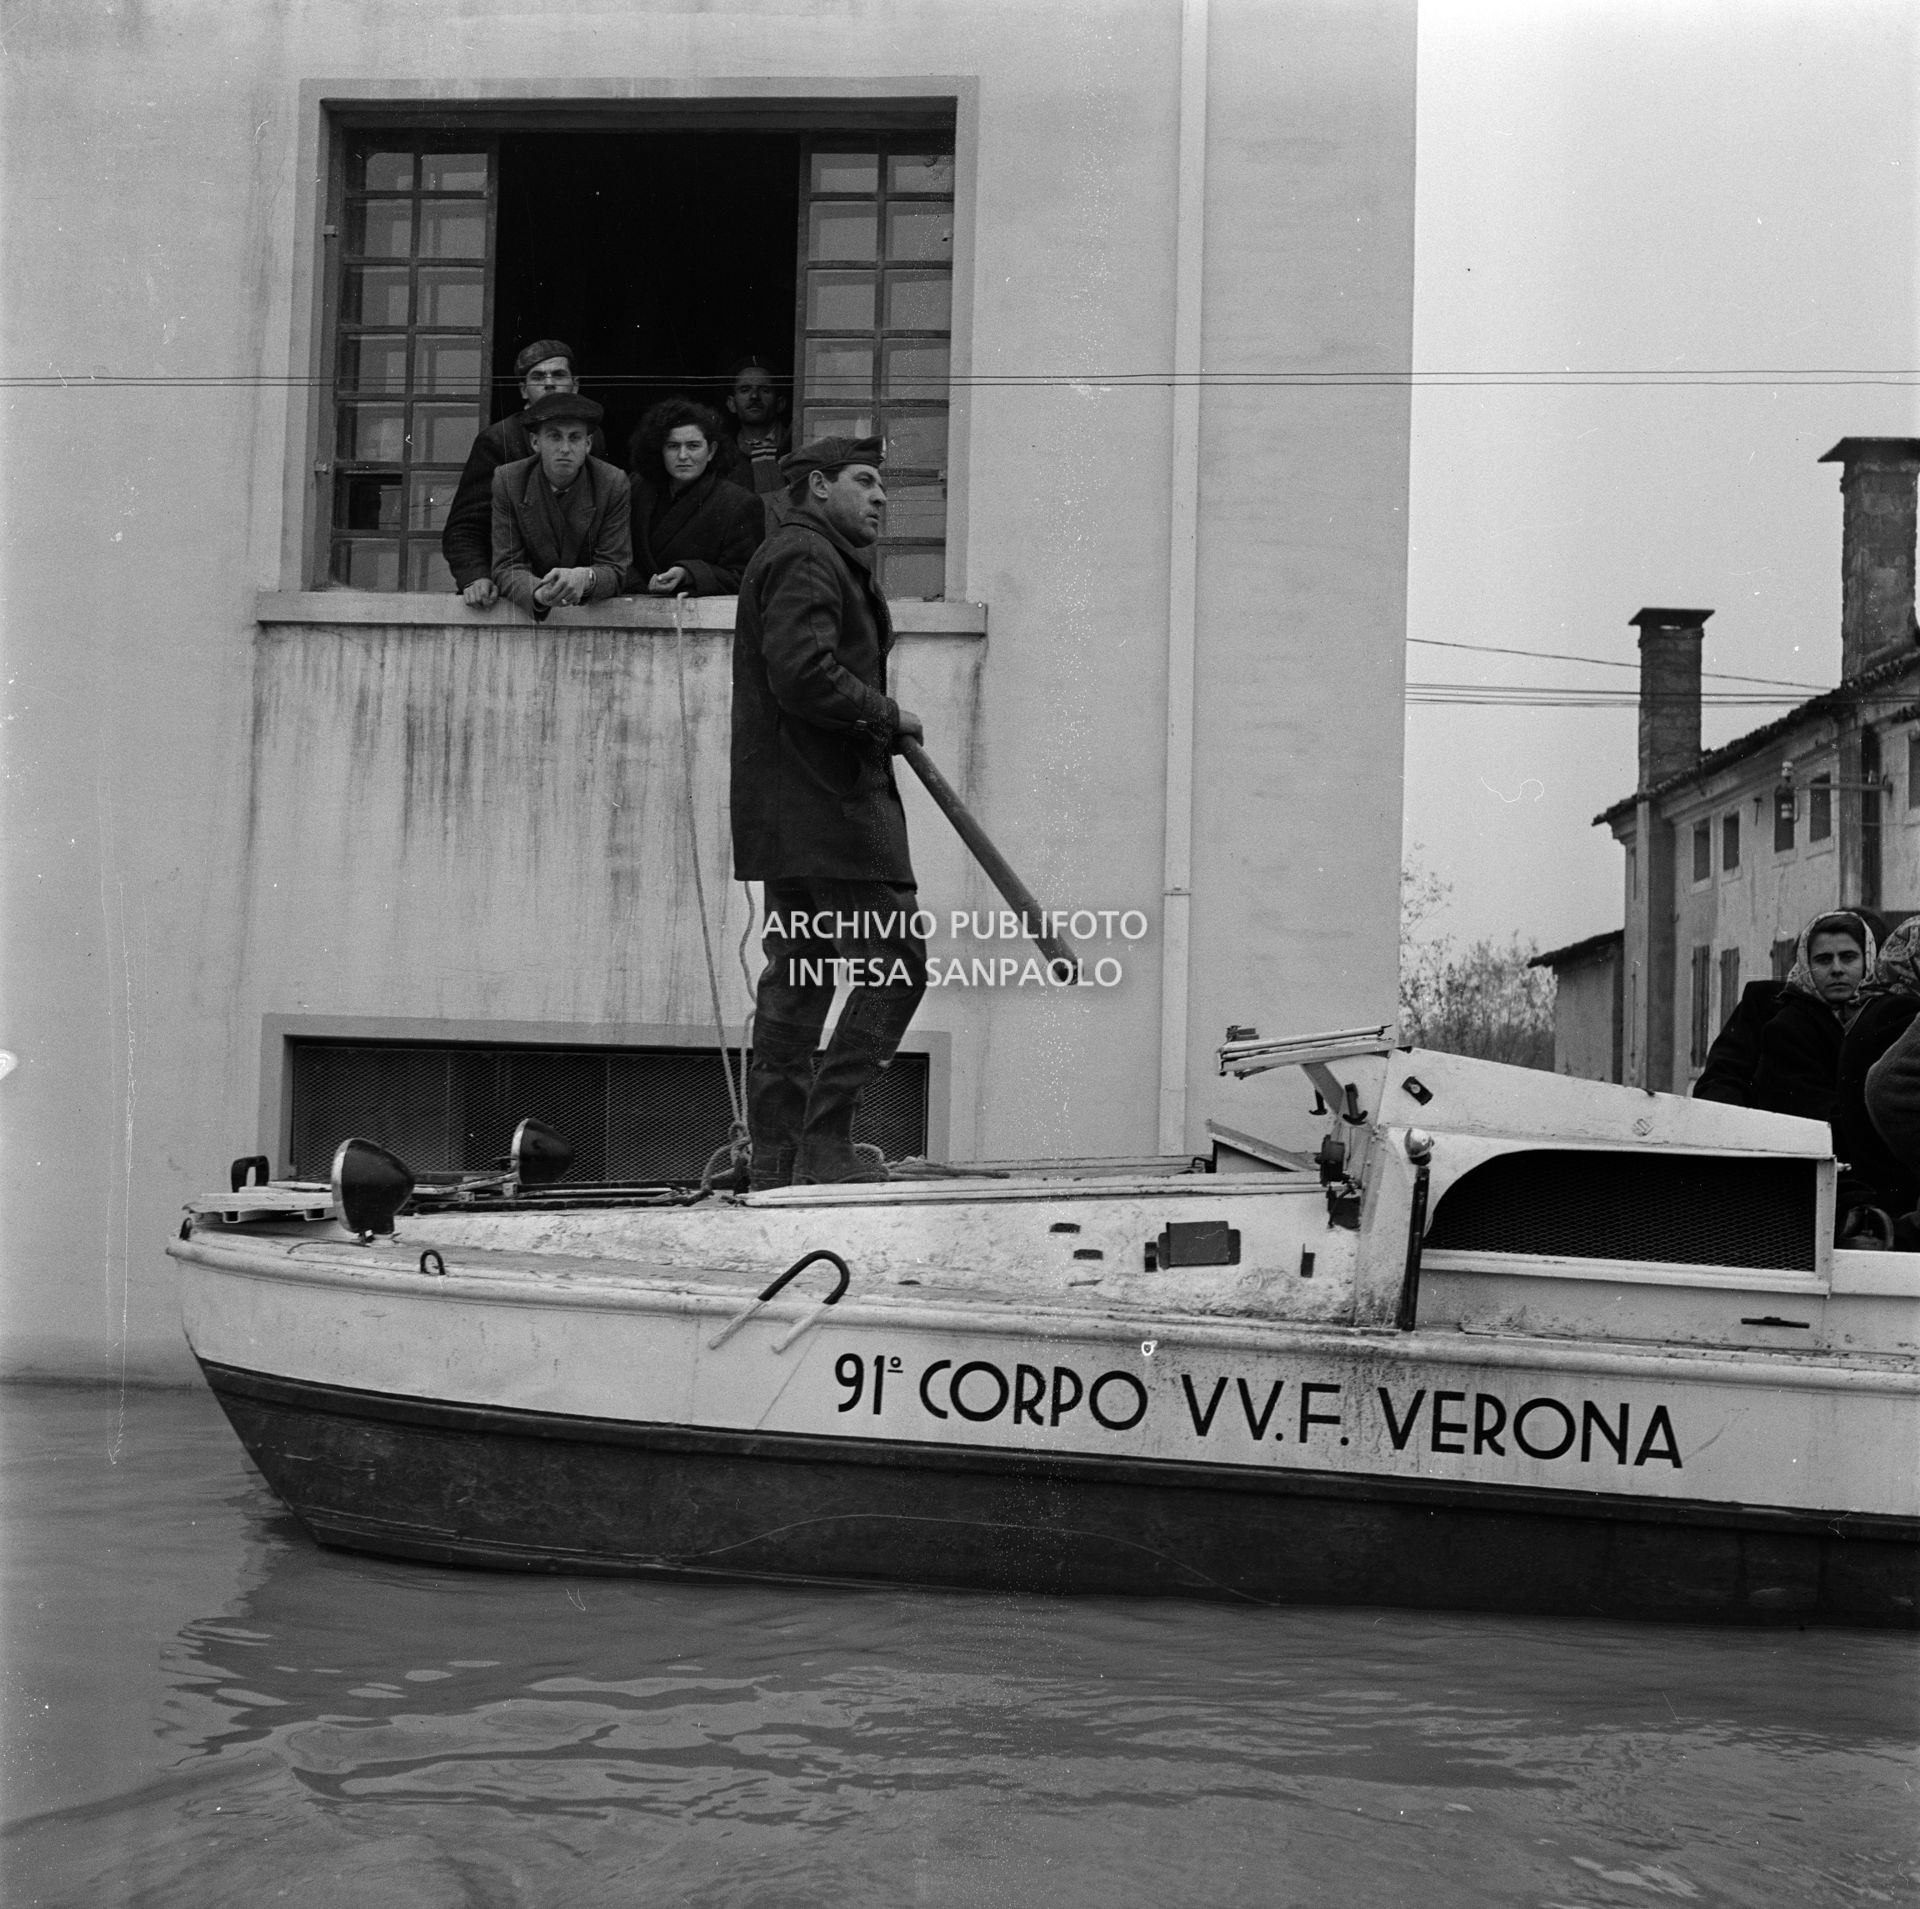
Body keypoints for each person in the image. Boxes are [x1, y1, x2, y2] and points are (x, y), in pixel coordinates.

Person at [731, 436, 925, 1188]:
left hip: (790, 812)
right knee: (896, 966)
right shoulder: (809, 558)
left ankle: (778, 1158)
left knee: (802, 974)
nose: (881, 497)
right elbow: (805, 673)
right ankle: (823, 1143)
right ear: (818, 486)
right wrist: (886, 715)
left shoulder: (806, 555)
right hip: (832, 809)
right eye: (865, 480)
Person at [442, 339, 608, 607]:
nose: (550, 383)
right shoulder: (498, 440)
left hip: (570, 590)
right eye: (538, 377)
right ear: (523, 390)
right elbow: (466, 526)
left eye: (559, 375)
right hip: (512, 588)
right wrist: (475, 576)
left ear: (575, 385)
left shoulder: (591, 436)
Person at [490, 393, 631, 620]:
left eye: (574, 438)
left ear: (588, 444)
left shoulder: (612, 483)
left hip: (590, 615)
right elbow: (507, 564)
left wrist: (585, 578)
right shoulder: (509, 481)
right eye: (555, 437)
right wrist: (538, 592)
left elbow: (615, 568)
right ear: (536, 442)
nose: (565, 448)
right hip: (531, 615)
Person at [625, 398, 766, 597]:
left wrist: (689, 574)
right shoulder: (636, 489)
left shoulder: (738, 503)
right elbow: (617, 555)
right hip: (634, 607)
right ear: (660, 450)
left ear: (711, 451)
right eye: (673, 446)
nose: (683, 456)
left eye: (693, 446)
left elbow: (746, 576)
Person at [1744, 910, 1877, 1122]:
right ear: (1806, 966)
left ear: (1868, 960)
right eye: (1823, 960)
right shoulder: (1787, 1029)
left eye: (1848, 957)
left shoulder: (1879, 1017)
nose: (1837, 969)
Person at [1833, 917, 1920, 1217]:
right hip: (1898, 1196)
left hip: (1880, 1190)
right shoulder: (1901, 1014)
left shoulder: (1873, 1009)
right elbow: (1889, 1089)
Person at [711, 356, 793, 497]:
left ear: (780, 403)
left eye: (764, 390)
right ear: (731, 403)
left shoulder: (795, 446)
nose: (754, 396)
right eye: (745, 390)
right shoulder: (723, 456)